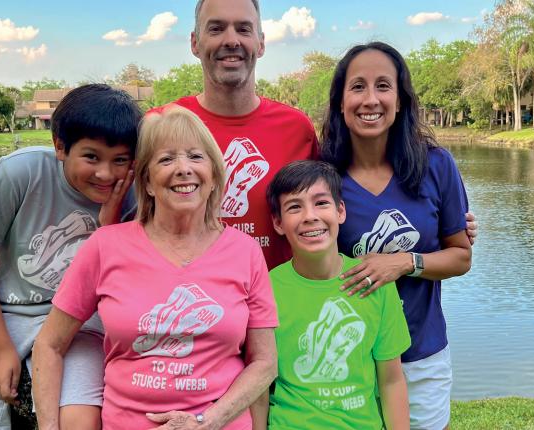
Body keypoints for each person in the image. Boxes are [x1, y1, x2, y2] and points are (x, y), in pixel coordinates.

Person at [32, 106, 278, 430]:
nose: (183, 169)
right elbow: (48, 345)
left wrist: (207, 420)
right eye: (166, 160)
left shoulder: (244, 251)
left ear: (214, 174)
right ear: (147, 182)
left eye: (195, 157)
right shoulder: (105, 246)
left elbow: (264, 362)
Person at [0, 84, 140, 430]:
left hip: (84, 323)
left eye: (119, 160)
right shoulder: (19, 173)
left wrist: (109, 226)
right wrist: (1, 349)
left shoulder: (131, 193)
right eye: (91, 157)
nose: (106, 173)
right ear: (60, 147)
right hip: (9, 312)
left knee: (80, 421)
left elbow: (127, 282)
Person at [320, 42, 472, 429]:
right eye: (358, 87)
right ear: (340, 102)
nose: (370, 99)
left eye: (383, 86)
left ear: (400, 100)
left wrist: (406, 262)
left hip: (421, 357)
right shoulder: (322, 176)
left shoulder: (436, 165)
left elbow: (460, 256)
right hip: (348, 359)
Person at [151, 0, 319, 270]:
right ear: (195, 43)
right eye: (216, 29)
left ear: (261, 43)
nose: (231, 40)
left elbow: (323, 214)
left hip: (278, 302)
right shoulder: (161, 125)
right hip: (192, 302)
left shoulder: (297, 128)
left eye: (243, 29)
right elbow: (133, 222)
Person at [262, 160, 410, 429]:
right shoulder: (267, 288)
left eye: (321, 203)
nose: (310, 216)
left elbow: (391, 380)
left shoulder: (375, 281)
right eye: (295, 207)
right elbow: (260, 384)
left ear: (340, 211)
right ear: (278, 222)